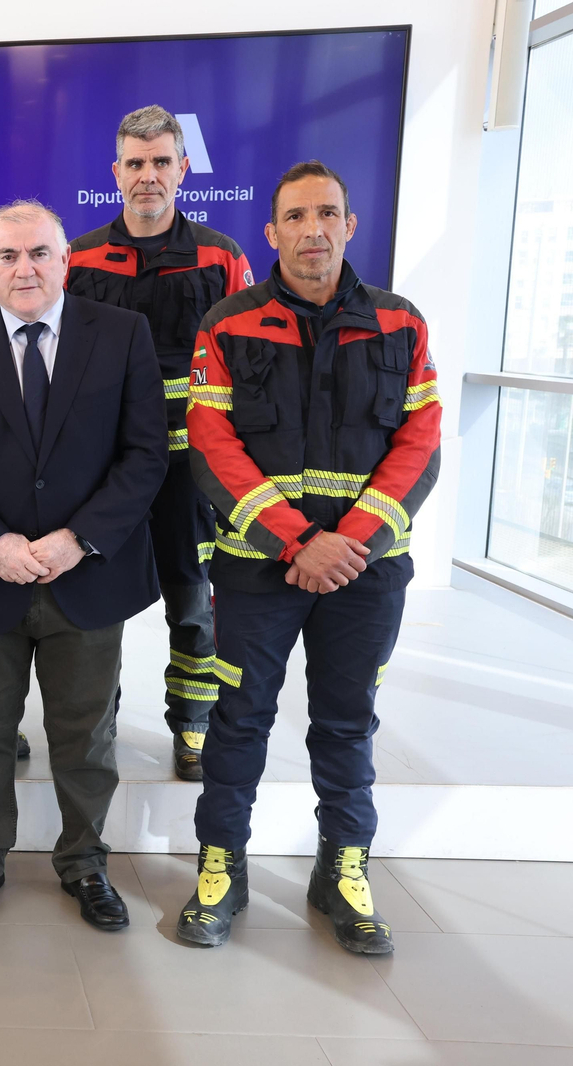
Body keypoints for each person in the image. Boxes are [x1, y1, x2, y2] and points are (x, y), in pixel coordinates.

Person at [177, 162, 440, 954]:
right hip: (259, 567)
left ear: (350, 226)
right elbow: (210, 444)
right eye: (296, 216)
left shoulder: (401, 322)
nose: (312, 230)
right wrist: (297, 542)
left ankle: (345, 870)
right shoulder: (228, 322)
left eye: (328, 213)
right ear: (272, 232)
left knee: (348, 721)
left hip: (366, 572)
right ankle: (222, 867)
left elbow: (420, 444)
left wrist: (346, 544)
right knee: (239, 718)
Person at [0, 200, 166, 931]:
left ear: (66, 260)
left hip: (85, 577)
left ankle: (85, 862)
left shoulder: (122, 335)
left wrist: (76, 540)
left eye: (38, 254)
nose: (24, 269)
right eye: (7, 257)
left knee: (86, 735)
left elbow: (145, 453)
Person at [66, 106, 253, 781]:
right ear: (117, 173)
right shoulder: (77, 258)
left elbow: (248, 365)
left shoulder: (223, 258)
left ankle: (194, 727)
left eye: (161, 162)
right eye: (136, 163)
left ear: (182, 168)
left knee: (193, 597)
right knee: (93, 602)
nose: (149, 176)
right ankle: (96, 718)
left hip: (187, 471)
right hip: (101, 469)